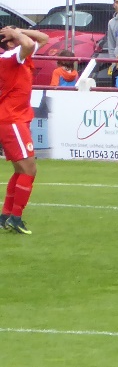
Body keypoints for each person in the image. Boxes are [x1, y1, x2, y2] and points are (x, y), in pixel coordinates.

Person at [0, 24, 50, 234]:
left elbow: (44, 38)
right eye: (15, 37)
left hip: (14, 118)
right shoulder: (11, 56)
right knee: (30, 169)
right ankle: (16, 217)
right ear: (10, 43)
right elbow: (28, 44)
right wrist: (16, 34)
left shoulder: (18, 54)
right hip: (12, 119)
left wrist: (18, 30)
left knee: (21, 170)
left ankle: (6, 215)